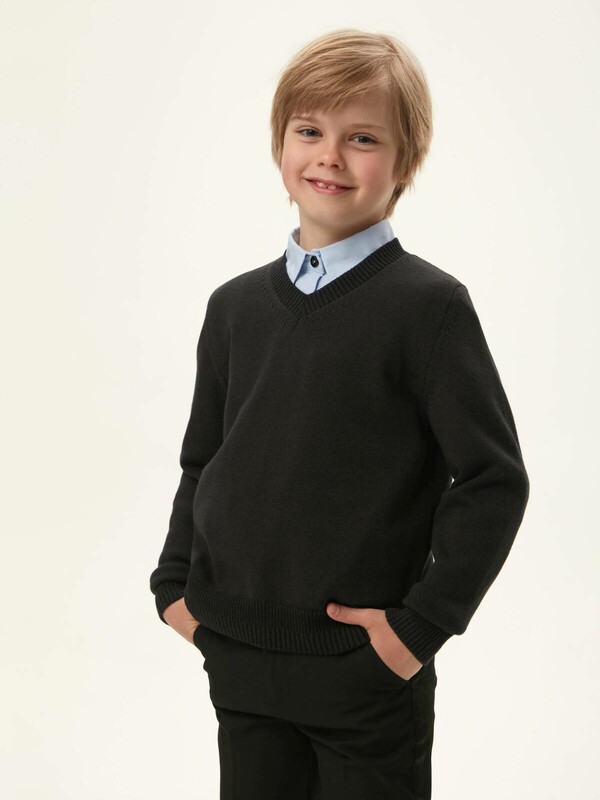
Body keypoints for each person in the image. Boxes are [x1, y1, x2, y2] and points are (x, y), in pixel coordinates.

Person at [149, 27, 530, 800]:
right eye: (309, 131)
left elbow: (494, 478)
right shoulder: (234, 307)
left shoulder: (429, 309)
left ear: (406, 162)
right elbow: (204, 458)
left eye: (362, 138)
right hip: (240, 663)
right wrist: (176, 590)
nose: (330, 156)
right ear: (279, 145)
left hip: (363, 676)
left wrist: (416, 630)